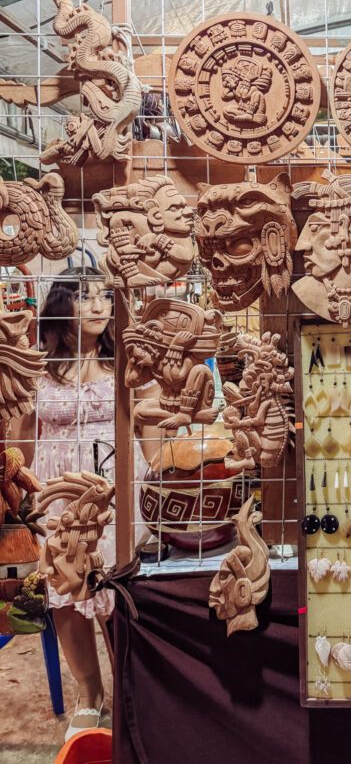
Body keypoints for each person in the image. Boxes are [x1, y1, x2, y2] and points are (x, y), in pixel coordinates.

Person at [12, 267, 118, 741]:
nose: (99, 306)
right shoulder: (37, 368)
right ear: (62, 307)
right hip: (56, 491)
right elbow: (20, 438)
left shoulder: (124, 361)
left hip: (115, 487)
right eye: (86, 298)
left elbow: (146, 429)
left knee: (120, 591)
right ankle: (89, 693)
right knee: (68, 595)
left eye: (105, 297)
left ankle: (131, 686)